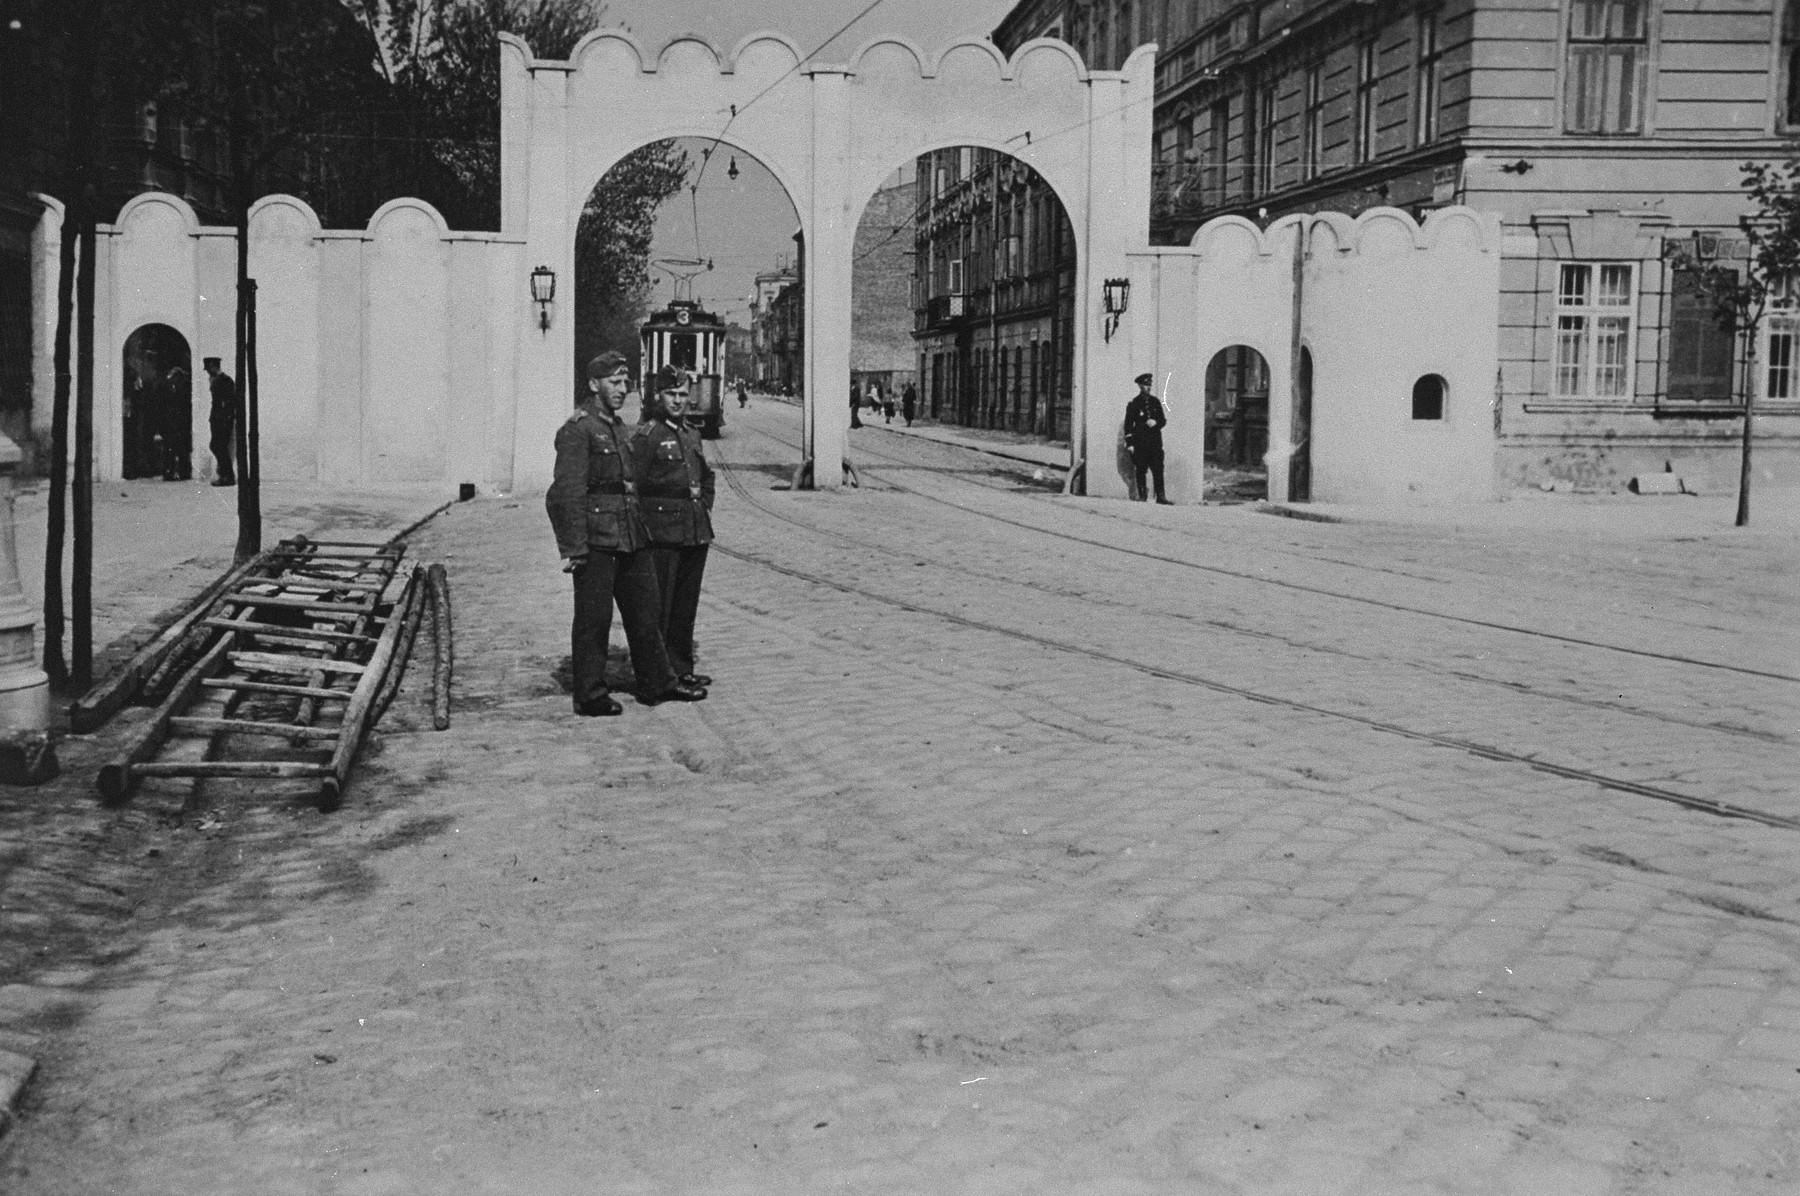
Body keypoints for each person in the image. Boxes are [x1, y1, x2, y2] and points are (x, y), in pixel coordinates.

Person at [546, 352, 705, 716]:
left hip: (631, 536)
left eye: (625, 382)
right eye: (614, 382)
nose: (622, 389)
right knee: (594, 619)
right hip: (598, 539)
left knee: (646, 614)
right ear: (593, 384)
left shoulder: (617, 427)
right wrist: (574, 548)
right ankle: (589, 693)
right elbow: (565, 493)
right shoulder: (578, 429)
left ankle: (657, 683)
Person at [634, 365, 715, 690]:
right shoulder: (648, 436)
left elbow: (706, 477)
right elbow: (634, 486)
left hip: (694, 531)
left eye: (683, 394)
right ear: (658, 396)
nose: (679, 400)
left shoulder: (690, 432)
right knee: (660, 607)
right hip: (663, 534)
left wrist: (702, 506)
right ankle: (658, 676)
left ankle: (680, 669)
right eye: (672, 394)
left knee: (685, 605)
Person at [1123, 371, 1172, 505]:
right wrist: (1130, 444)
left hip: (1155, 443)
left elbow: (1163, 420)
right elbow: (1128, 426)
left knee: (1158, 469)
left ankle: (1161, 497)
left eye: (1149, 384)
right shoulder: (1134, 404)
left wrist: (1156, 422)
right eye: (1145, 385)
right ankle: (1143, 496)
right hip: (1141, 443)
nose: (1148, 387)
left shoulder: (1155, 402)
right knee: (1141, 469)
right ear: (1140, 386)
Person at [203, 357, 238, 486]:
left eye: (208, 369)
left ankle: (227, 476)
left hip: (223, 419)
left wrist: (226, 417)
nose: (207, 372)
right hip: (217, 419)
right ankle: (225, 474)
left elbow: (230, 402)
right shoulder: (217, 380)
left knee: (219, 446)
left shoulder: (225, 381)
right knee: (217, 446)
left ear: (213, 366)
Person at [161, 363, 192, 481]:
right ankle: (179, 472)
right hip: (175, 421)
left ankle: (172, 472)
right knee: (176, 447)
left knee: (174, 448)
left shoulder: (176, 384)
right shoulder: (171, 384)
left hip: (176, 420)